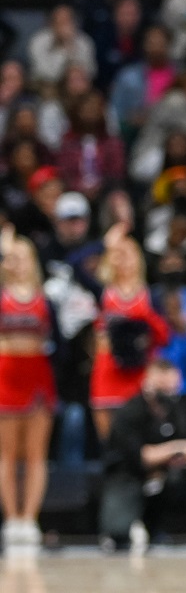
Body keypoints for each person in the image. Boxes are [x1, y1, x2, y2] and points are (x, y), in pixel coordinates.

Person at [99, 358, 186, 550]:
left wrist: (180, 454)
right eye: (160, 387)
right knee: (117, 531)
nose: (164, 394)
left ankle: (159, 526)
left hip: (166, 476)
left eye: (169, 388)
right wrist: (179, 447)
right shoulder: (130, 411)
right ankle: (123, 525)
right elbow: (140, 456)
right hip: (129, 476)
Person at [0, 230, 57, 549]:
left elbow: (58, 340)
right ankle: (11, 519)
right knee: (7, 454)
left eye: (23, 257)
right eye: (12, 257)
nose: (18, 263)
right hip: (6, 373)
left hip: (37, 374)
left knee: (36, 454)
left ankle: (29, 519)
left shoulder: (43, 297)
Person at [85, 228, 171, 441]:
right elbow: (76, 263)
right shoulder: (102, 291)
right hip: (107, 371)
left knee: (141, 447)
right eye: (118, 254)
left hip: (139, 375)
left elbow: (164, 338)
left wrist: (142, 320)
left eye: (127, 253)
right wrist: (105, 244)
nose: (122, 259)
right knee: (110, 447)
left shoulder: (150, 294)